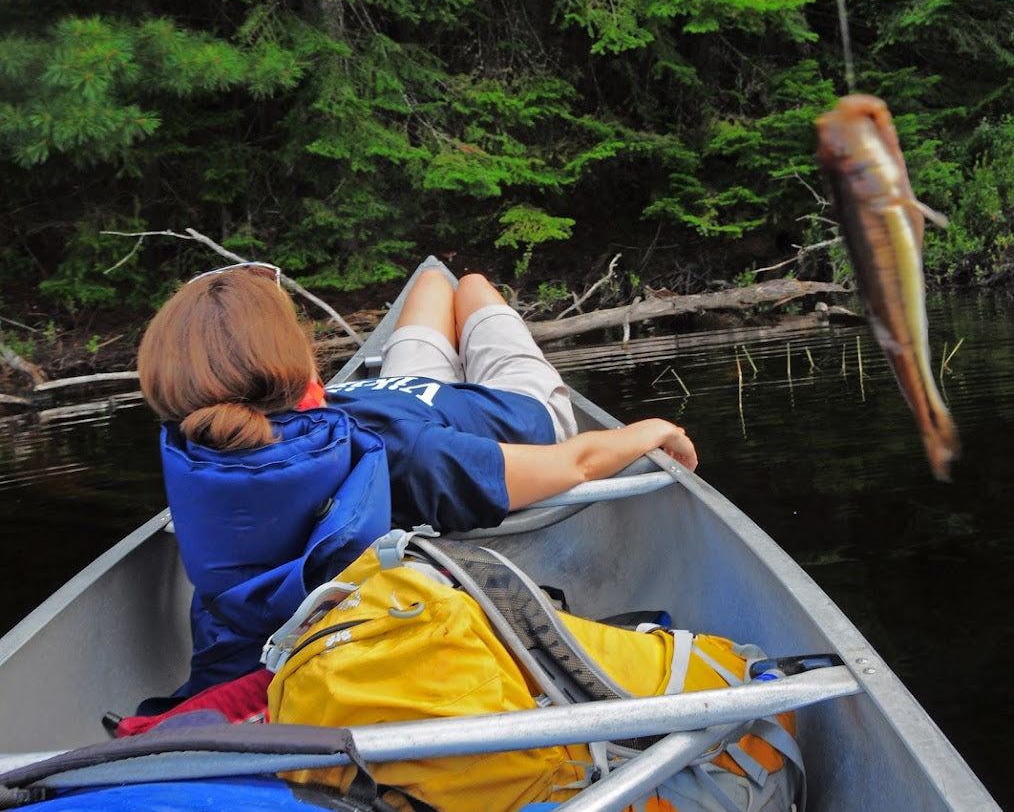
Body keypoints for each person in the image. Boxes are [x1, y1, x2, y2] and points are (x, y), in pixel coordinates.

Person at [137, 261, 698, 695]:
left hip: (388, 399)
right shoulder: (402, 456)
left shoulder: (195, 458)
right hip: (502, 411)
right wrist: (650, 429)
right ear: (302, 366)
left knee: (432, 281)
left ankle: (443, 286)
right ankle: (468, 282)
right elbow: (575, 463)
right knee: (469, 284)